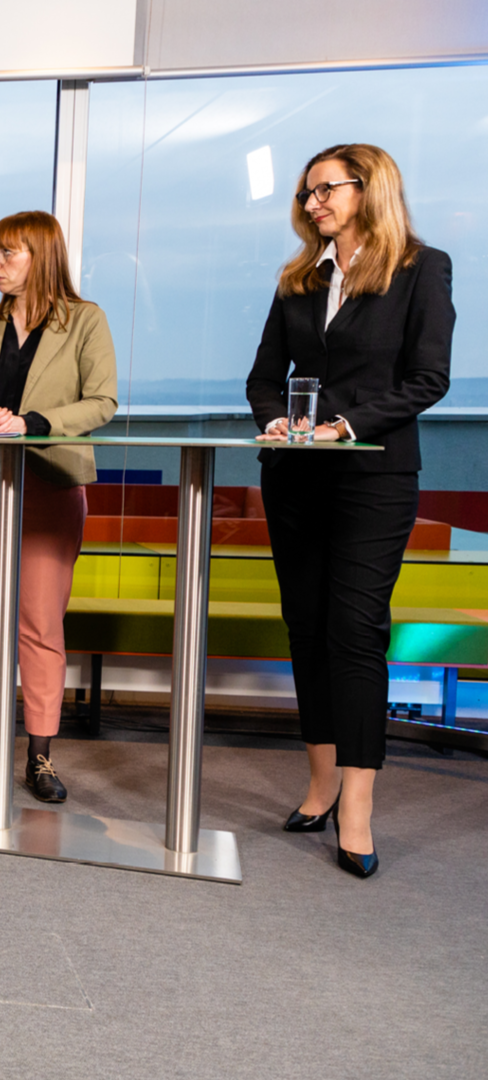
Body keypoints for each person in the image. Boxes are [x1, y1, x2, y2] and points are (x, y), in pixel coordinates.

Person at [246, 144, 452, 879]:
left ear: (369, 189)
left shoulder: (422, 268)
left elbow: (428, 379)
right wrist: (277, 421)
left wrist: (344, 426)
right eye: (307, 194)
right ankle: (321, 783)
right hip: (296, 478)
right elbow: (263, 379)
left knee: (356, 632)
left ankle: (357, 809)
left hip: (373, 475)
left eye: (324, 189)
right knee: (305, 627)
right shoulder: (299, 278)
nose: (312, 204)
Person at [0, 211, 117, 801]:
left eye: (7, 253)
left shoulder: (85, 320)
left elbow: (102, 402)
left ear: (41, 255)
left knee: (39, 621)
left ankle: (40, 756)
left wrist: (31, 422)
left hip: (49, 481)